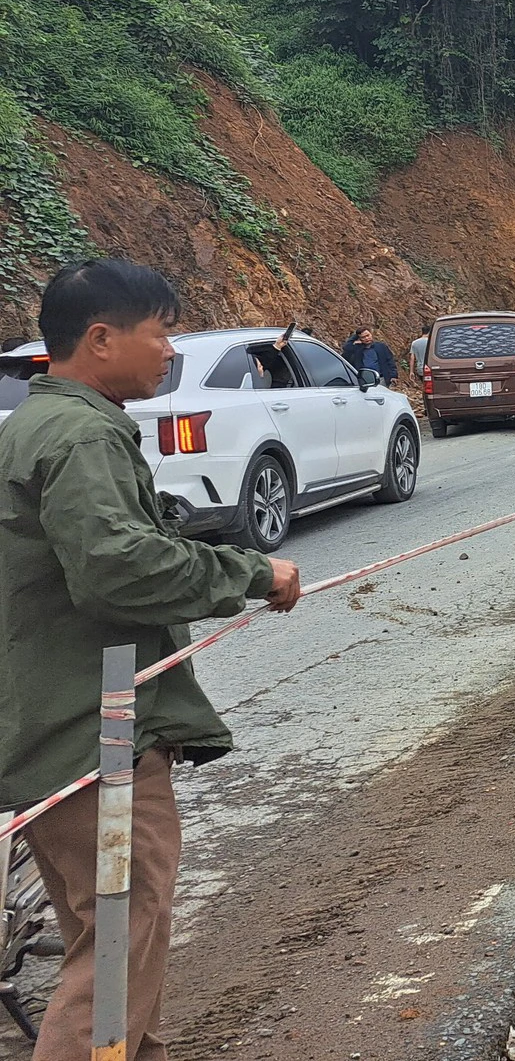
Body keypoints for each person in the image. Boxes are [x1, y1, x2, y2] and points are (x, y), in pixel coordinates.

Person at [1, 259, 303, 1061]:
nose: (172, 350)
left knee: (112, 942)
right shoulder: (80, 434)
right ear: (100, 340)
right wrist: (250, 573)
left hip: (57, 722)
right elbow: (115, 570)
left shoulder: (42, 423)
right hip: (89, 733)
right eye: (160, 333)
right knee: (120, 940)